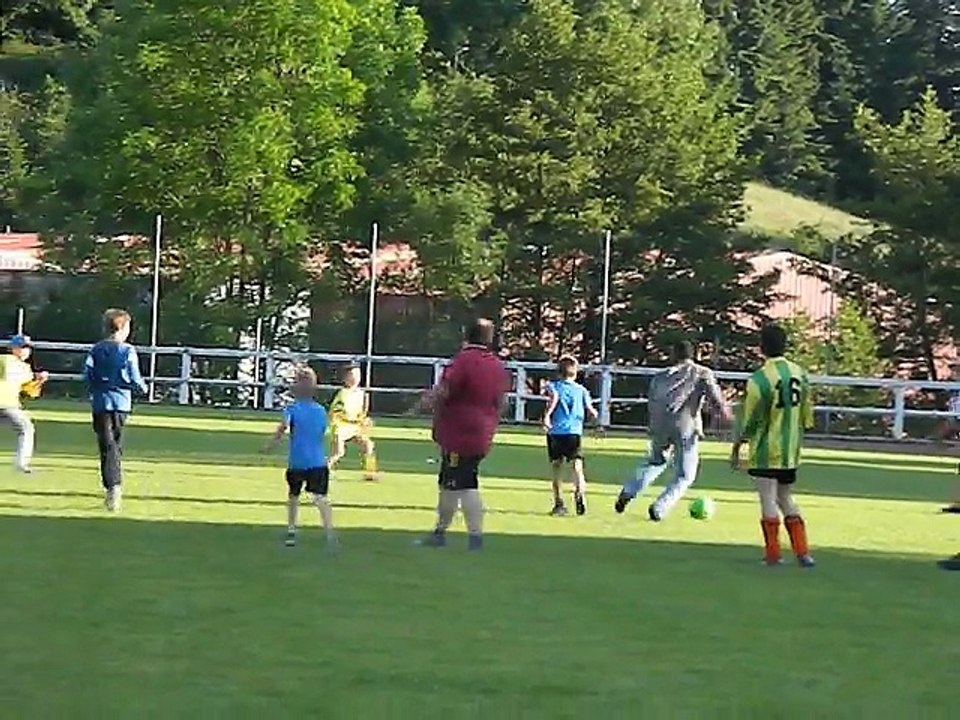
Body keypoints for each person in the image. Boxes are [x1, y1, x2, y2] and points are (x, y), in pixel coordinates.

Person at [419, 318, 510, 550]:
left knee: (461, 483)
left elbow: (445, 390)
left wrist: (427, 400)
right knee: (453, 481)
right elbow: (502, 402)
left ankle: (470, 536)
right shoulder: (496, 366)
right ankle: (442, 532)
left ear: (466, 335)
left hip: (459, 433)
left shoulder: (463, 361)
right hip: (482, 433)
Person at [614, 340, 731, 520]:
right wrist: (724, 416)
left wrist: (653, 426)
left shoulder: (660, 376)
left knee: (655, 462)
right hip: (686, 427)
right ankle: (660, 507)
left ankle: (629, 491)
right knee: (685, 475)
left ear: (673, 354)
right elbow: (716, 399)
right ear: (694, 355)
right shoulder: (702, 373)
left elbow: (652, 401)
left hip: (660, 425)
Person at [730, 324, 816, 568]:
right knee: (786, 497)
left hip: (766, 448)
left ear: (761, 347)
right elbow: (806, 414)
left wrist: (739, 445)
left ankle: (773, 554)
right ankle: (803, 552)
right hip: (790, 450)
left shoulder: (759, 379)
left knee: (768, 498)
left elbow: (752, 418)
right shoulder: (800, 373)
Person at [263, 366, 336, 551]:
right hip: (317, 461)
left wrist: (269, 446)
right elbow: (322, 433)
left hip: (297, 461)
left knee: (293, 496)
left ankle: (291, 528)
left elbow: (282, 429)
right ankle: (329, 533)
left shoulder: (292, 409)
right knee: (321, 498)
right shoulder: (321, 411)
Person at [83, 309, 148, 512]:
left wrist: (95, 387)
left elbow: (87, 374)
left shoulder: (96, 349)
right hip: (121, 403)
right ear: (124, 328)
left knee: (106, 446)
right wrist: (143, 389)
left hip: (101, 403)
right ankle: (115, 486)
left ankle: (111, 487)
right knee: (115, 446)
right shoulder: (127, 351)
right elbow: (134, 376)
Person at [542, 356, 599, 516]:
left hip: (556, 432)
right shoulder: (581, 390)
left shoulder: (553, 386)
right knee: (577, 467)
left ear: (559, 372)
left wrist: (546, 416)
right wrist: (597, 422)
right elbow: (591, 410)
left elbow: (552, 399)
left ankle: (559, 503)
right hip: (574, 433)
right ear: (575, 373)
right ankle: (579, 493)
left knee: (556, 468)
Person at [0, 335, 48, 473]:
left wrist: (39, 380)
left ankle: (22, 464)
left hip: (9, 404)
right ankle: (21, 464)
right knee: (26, 428)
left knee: (26, 427)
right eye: (21, 347)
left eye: (27, 348)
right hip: (6, 403)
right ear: (13, 348)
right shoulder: (4, 360)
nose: (25, 350)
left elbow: (29, 392)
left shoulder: (26, 368)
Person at [327, 363, 378, 480]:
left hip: (355, 427)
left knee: (368, 445)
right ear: (345, 378)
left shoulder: (362, 394)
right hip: (341, 427)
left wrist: (364, 420)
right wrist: (340, 422)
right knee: (339, 452)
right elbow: (334, 412)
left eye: (357, 375)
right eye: (352, 375)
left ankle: (370, 473)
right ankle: (324, 470)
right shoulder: (342, 394)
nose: (355, 378)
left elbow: (362, 413)